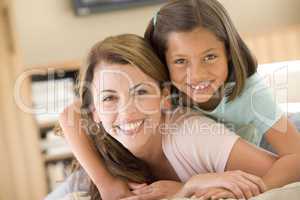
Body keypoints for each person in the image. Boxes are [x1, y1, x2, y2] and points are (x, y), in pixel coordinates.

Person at [53, 34, 281, 200]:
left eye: (141, 92)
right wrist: (106, 184)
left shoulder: (191, 136)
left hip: (262, 130)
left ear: (164, 97)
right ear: (94, 113)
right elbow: (68, 114)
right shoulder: (102, 154)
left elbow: (287, 170)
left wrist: (189, 186)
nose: (126, 112)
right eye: (109, 98)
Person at [143, 0, 300, 196]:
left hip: (265, 141)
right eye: (180, 61)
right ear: (163, 62)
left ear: (228, 51)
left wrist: (257, 188)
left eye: (209, 57)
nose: (198, 74)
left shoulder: (250, 92)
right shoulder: (163, 92)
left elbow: (296, 155)